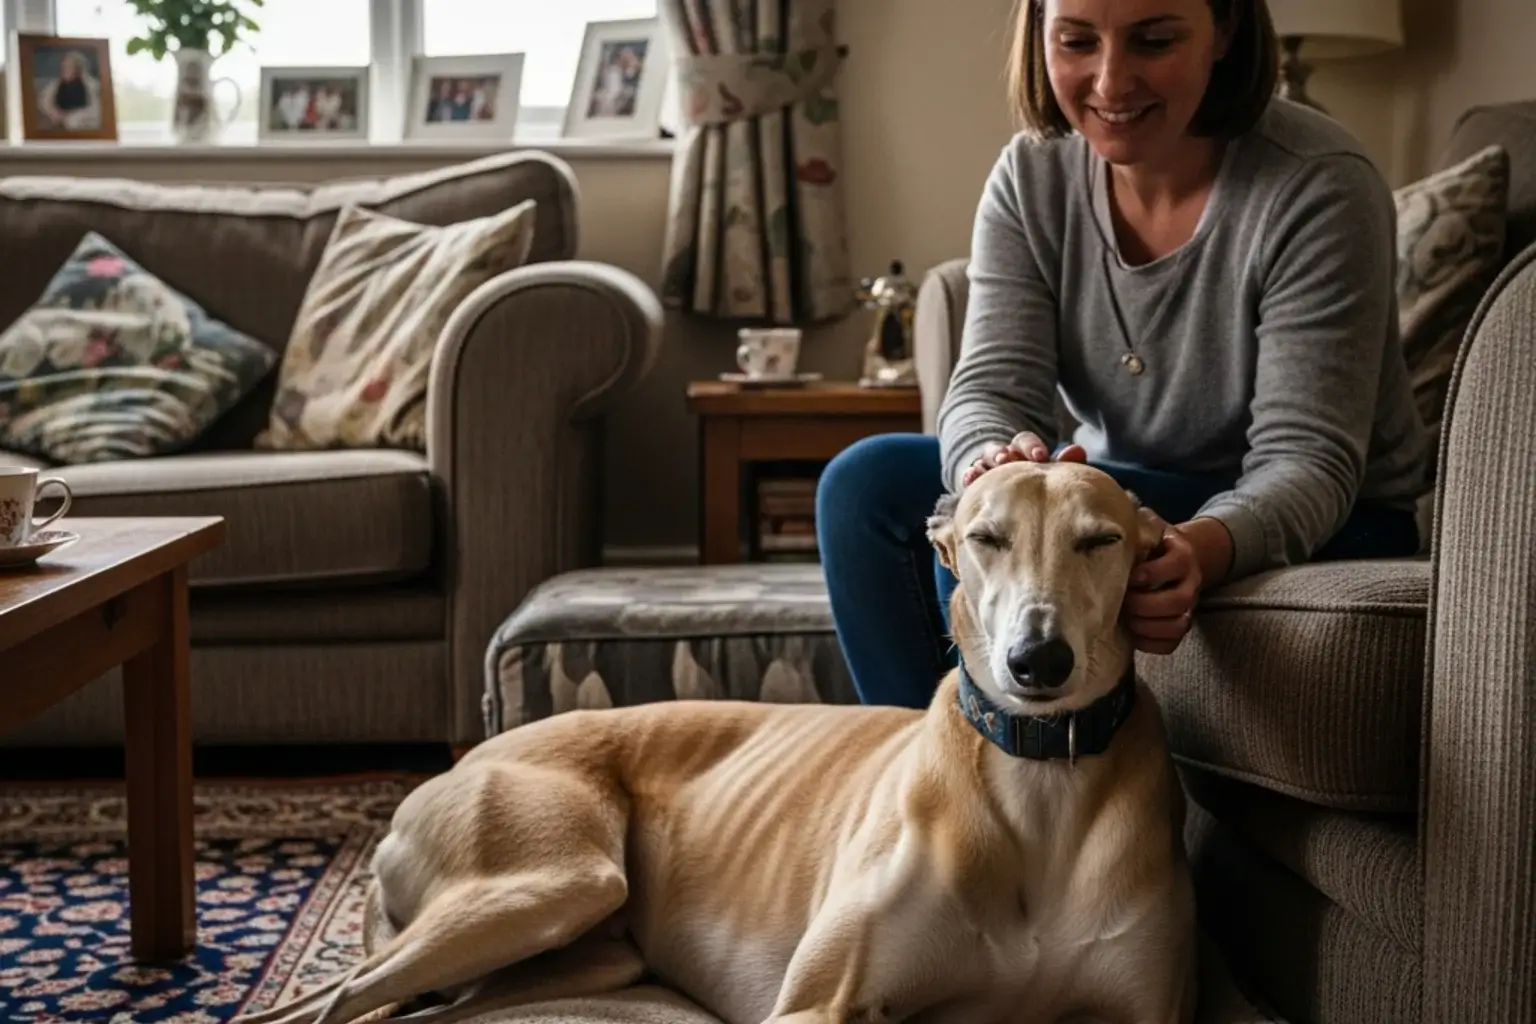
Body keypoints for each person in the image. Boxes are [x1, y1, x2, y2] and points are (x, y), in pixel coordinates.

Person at [815, 0, 1431, 710]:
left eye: (1155, 40)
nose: (1110, 83)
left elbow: (1308, 460)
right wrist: (991, 462)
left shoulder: (1318, 184)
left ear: (1224, 31)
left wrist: (1198, 548)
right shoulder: (1031, 175)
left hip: (1329, 512)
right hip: (1124, 494)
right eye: (1077, 41)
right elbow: (989, 386)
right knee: (866, 486)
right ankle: (925, 779)